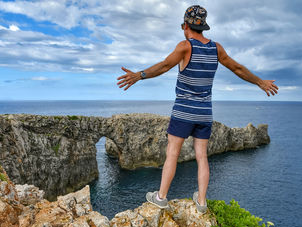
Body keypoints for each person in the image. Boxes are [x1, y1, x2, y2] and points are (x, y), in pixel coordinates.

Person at [116, 5, 279, 214]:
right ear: (203, 27)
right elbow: (237, 68)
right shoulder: (216, 48)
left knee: (172, 153)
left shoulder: (185, 46)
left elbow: (165, 66)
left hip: (183, 111)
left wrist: (139, 75)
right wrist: (260, 82)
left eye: (182, 25)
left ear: (186, 25)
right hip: (204, 113)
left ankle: (161, 197)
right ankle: (201, 202)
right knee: (202, 156)